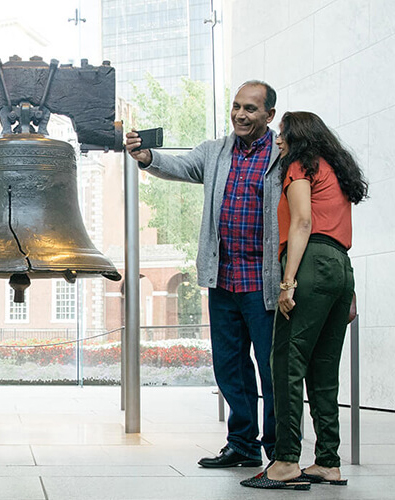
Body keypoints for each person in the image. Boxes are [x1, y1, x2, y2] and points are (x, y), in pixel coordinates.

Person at [125, 81, 282, 467]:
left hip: (265, 282)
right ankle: (242, 444)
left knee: (272, 369)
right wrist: (147, 156)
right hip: (224, 279)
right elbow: (180, 166)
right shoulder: (215, 152)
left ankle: (280, 452)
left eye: (250, 109)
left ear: (269, 115)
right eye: (235, 107)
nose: (240, 115)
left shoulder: (284, 154)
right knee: (230, 367)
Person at [241, 111, 368, 490]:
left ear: (298, 137)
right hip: (339, 268)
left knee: (286, 361)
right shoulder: (335, 170)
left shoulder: (300, 165)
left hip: (309, 263)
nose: (278, 141)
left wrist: (287, 283)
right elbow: (336, 231)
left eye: (282, 134)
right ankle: (328, 461)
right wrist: (346, 288)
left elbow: (302, 223)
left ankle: (285, 462)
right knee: (324, 371)